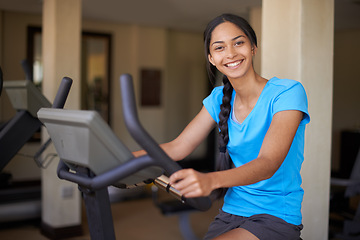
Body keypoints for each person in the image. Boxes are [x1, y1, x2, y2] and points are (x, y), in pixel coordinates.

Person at [135, 13, 309, 240]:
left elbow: (268, 163)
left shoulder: (286, 93)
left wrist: (210, 180)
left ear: (253, 47)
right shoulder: (219, 98)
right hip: (232, 211)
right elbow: (179, 146)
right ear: (211, 58)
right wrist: (118, 159)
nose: (231, 53)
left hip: (275, 214)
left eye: (239, 43)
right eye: (219, 48)